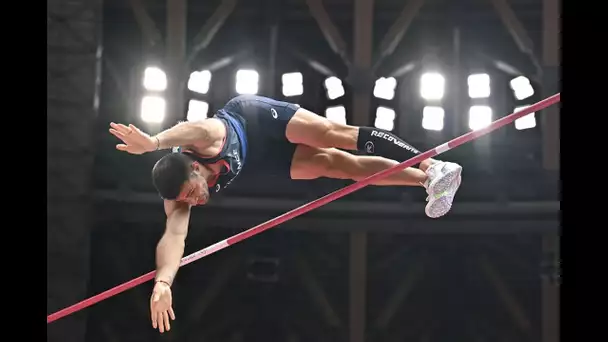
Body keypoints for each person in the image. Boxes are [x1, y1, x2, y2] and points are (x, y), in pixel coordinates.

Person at [109, 94, 462, 333]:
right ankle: (428, 182)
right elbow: (174, 235)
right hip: (258, 162)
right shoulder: (179, 197)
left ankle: (433, 164)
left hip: (255, 120)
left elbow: (192, 127)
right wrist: (162, 282)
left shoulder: (205, 138)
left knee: (332, 135)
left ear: (194, 170)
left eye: (191, 192)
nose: (195, 201)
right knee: (337, 166)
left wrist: (153, 142)